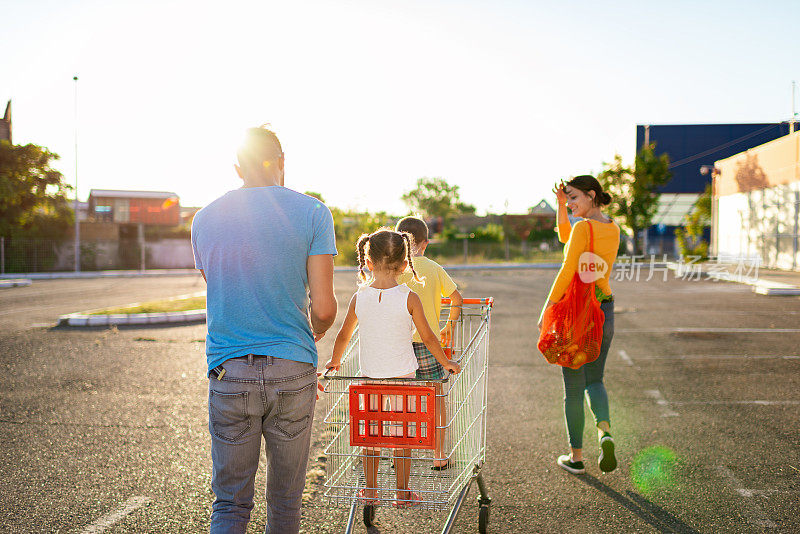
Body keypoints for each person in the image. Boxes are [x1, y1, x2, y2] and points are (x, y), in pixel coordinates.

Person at [191, 125, 338, 534]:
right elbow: (324, 309)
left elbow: (221, 288)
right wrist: (310, 335)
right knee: (286, 504)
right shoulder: (312, 213)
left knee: (230, 506)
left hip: (228, 371)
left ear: (238, 168)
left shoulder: (203, 219)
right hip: (292, 369)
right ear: (281, 161)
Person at [324, 228, 460, 507]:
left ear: (368, 261)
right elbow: (429, 337)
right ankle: (402, 493)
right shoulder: (410, 298)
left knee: (371, 437)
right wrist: (446, 362)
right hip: (403, 381)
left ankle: (371, 491)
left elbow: (344, 335)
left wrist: (335, 360)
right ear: (403, 265)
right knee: (402, 438)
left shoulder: (359, 298)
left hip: (370, 380)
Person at [538, 175, 620, 475]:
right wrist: (561, 206)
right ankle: (605, 433)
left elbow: (568, 267)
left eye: (573, 198)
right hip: (604, 309)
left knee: (573, 389)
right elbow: (566, 238)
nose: (571, 204)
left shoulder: (584, 227)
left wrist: (547, 308)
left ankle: (576, 458)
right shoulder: (612, 227)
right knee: (595, 381)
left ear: (590, 195)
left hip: (577, 315)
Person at [395, 216, 463, 470]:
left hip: (398, 345)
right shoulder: (434, 269)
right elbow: (456, 299)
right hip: (428, 345)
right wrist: (449, 326)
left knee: (403, 401)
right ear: (425, 243)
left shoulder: (395, 269)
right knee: (436, 398)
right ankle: (439, 453)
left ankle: (402, 452)